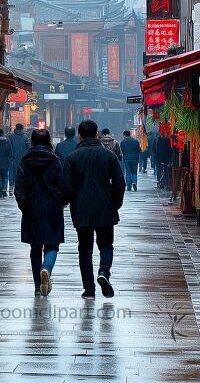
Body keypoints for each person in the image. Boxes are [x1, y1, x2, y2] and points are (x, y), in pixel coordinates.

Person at [63, 120, 126, 299]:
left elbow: (67, 189)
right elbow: (120, 184)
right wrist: (115, 204)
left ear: (80, 135)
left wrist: (68, 203)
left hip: (82, 209)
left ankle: (89, 289)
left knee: (84, 248)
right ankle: (104, 272)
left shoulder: (72, 158)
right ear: (97, 133)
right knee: (106, 245)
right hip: (106, 208)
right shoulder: (109, 156)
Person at [14, 128, 65, 297]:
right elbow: (63, 187)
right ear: (49, 141)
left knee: (35, 248)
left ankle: (37, 286)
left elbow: (19, 189)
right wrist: (60, 202)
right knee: (52, 245)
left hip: (31, 209)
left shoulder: (25, 162)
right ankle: (46, 268)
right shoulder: (56, 162)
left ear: (33, 142)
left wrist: (25, 205)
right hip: (52, 209)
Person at [8, 124, 30, 197]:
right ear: (22, 128)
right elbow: (28, 147)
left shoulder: (11, 137)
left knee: (12, 173)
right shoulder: (25, 137)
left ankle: (11, 188)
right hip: (22, 159)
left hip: (13, 158)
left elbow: (9, 148)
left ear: (15, 128)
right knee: (22, 174)